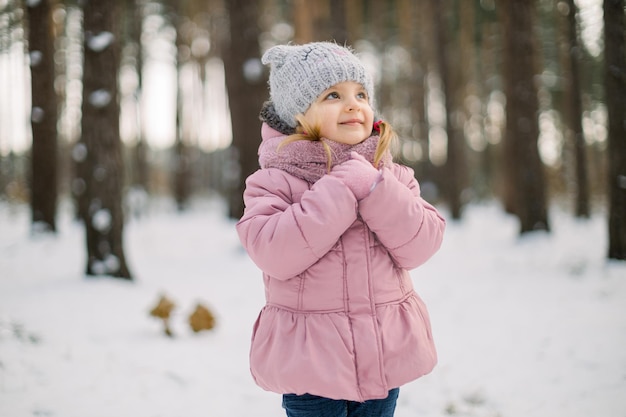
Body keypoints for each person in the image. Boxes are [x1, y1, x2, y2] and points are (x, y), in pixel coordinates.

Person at [236, 41, 446, 417]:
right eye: (333, 95)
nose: (353, 105)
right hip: (312, 366)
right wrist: (338, 190)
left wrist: (376, 189)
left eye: (361, 94)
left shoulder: (390, 175)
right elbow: (273, 253)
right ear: (298, 114)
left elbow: (422, 243)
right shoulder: (275, 181)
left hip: (383, 359)